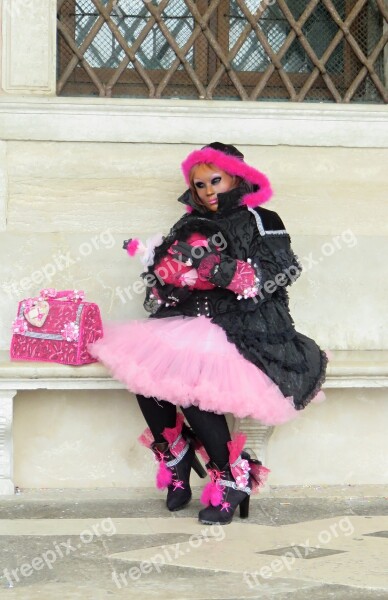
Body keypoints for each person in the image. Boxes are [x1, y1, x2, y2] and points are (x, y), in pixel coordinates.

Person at [89, 142, 327, 525]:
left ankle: (232, 477)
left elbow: (277, 275)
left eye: (215, 181)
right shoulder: (186, 224)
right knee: (145, 378)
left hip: (243, 326)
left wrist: (219, 269)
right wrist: (171, 277)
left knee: (195, 388)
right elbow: (163, 284)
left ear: (236, 176)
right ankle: (177, 457)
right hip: (187, 319)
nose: (208, 191)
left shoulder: (262, 218)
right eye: (199, 185)